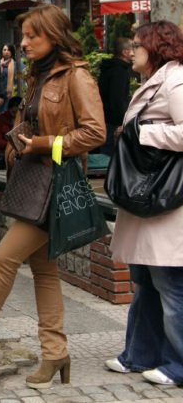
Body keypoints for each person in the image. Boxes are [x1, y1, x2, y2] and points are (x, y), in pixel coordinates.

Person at [0, 4, 105, 389]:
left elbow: (95, 132)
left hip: (55, 184)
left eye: (33, 35)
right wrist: (16, 142)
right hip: (33, 181)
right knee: (44, 272)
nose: (24, 42)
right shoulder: (38, 75)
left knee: (4, 258)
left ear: (54, 35)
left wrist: (46, 144)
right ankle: (55, 353)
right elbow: (29, 122)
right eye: (24, 36)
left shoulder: (76, 76)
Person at [105, 21, 183, 387]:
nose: (131, 50)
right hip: (149, 200)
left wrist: (143, 132)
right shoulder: (157, 80)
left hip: (166, 201)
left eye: (137, 44)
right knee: (146, 282)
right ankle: (139, 354)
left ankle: (177, 365)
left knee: (169, 284)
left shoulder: (176, 80)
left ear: (156, 47)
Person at [98, 37, 135, 155]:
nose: (136, 52)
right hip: (113, 123)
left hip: (106, 119)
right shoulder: (119, 71)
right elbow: (117, 100)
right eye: (134, 48)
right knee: (110, 156)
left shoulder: (112, 67)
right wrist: (123, 122)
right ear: (125, 52)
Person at [0, 43, 18, 113]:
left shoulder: (15, 65)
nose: (6, 52)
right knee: (1, 114)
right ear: (2, 51)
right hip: (1, 95)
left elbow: (18, 81)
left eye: (8, 50)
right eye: (4, 50)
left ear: (12, 52)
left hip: (11, 94)